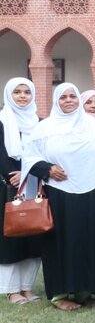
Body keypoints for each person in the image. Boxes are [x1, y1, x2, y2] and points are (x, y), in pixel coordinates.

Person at [23, 83, 95, 310]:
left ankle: (85, 290)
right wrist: (47, 169)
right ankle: (60, 294)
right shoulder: (44, 129)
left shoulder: (92, 126)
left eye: (73, 96)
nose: (69, 100)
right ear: (56, 100)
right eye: (63, 97)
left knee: (90, 241)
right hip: (59, 194)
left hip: (92, 192)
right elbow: (29, 158)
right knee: (61, 243)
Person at [0, 77, 41, 303]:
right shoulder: (2, 121)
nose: (23, 96)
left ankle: (27, 287)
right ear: (9, 95)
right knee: (12, 236)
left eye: (27, 92)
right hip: (9, 186)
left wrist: (29, 172)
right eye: (17, 92)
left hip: (35, 184)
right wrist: (12, 174)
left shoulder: (38, 122)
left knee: (33, 234)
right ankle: (11, 289)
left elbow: (44, 151)